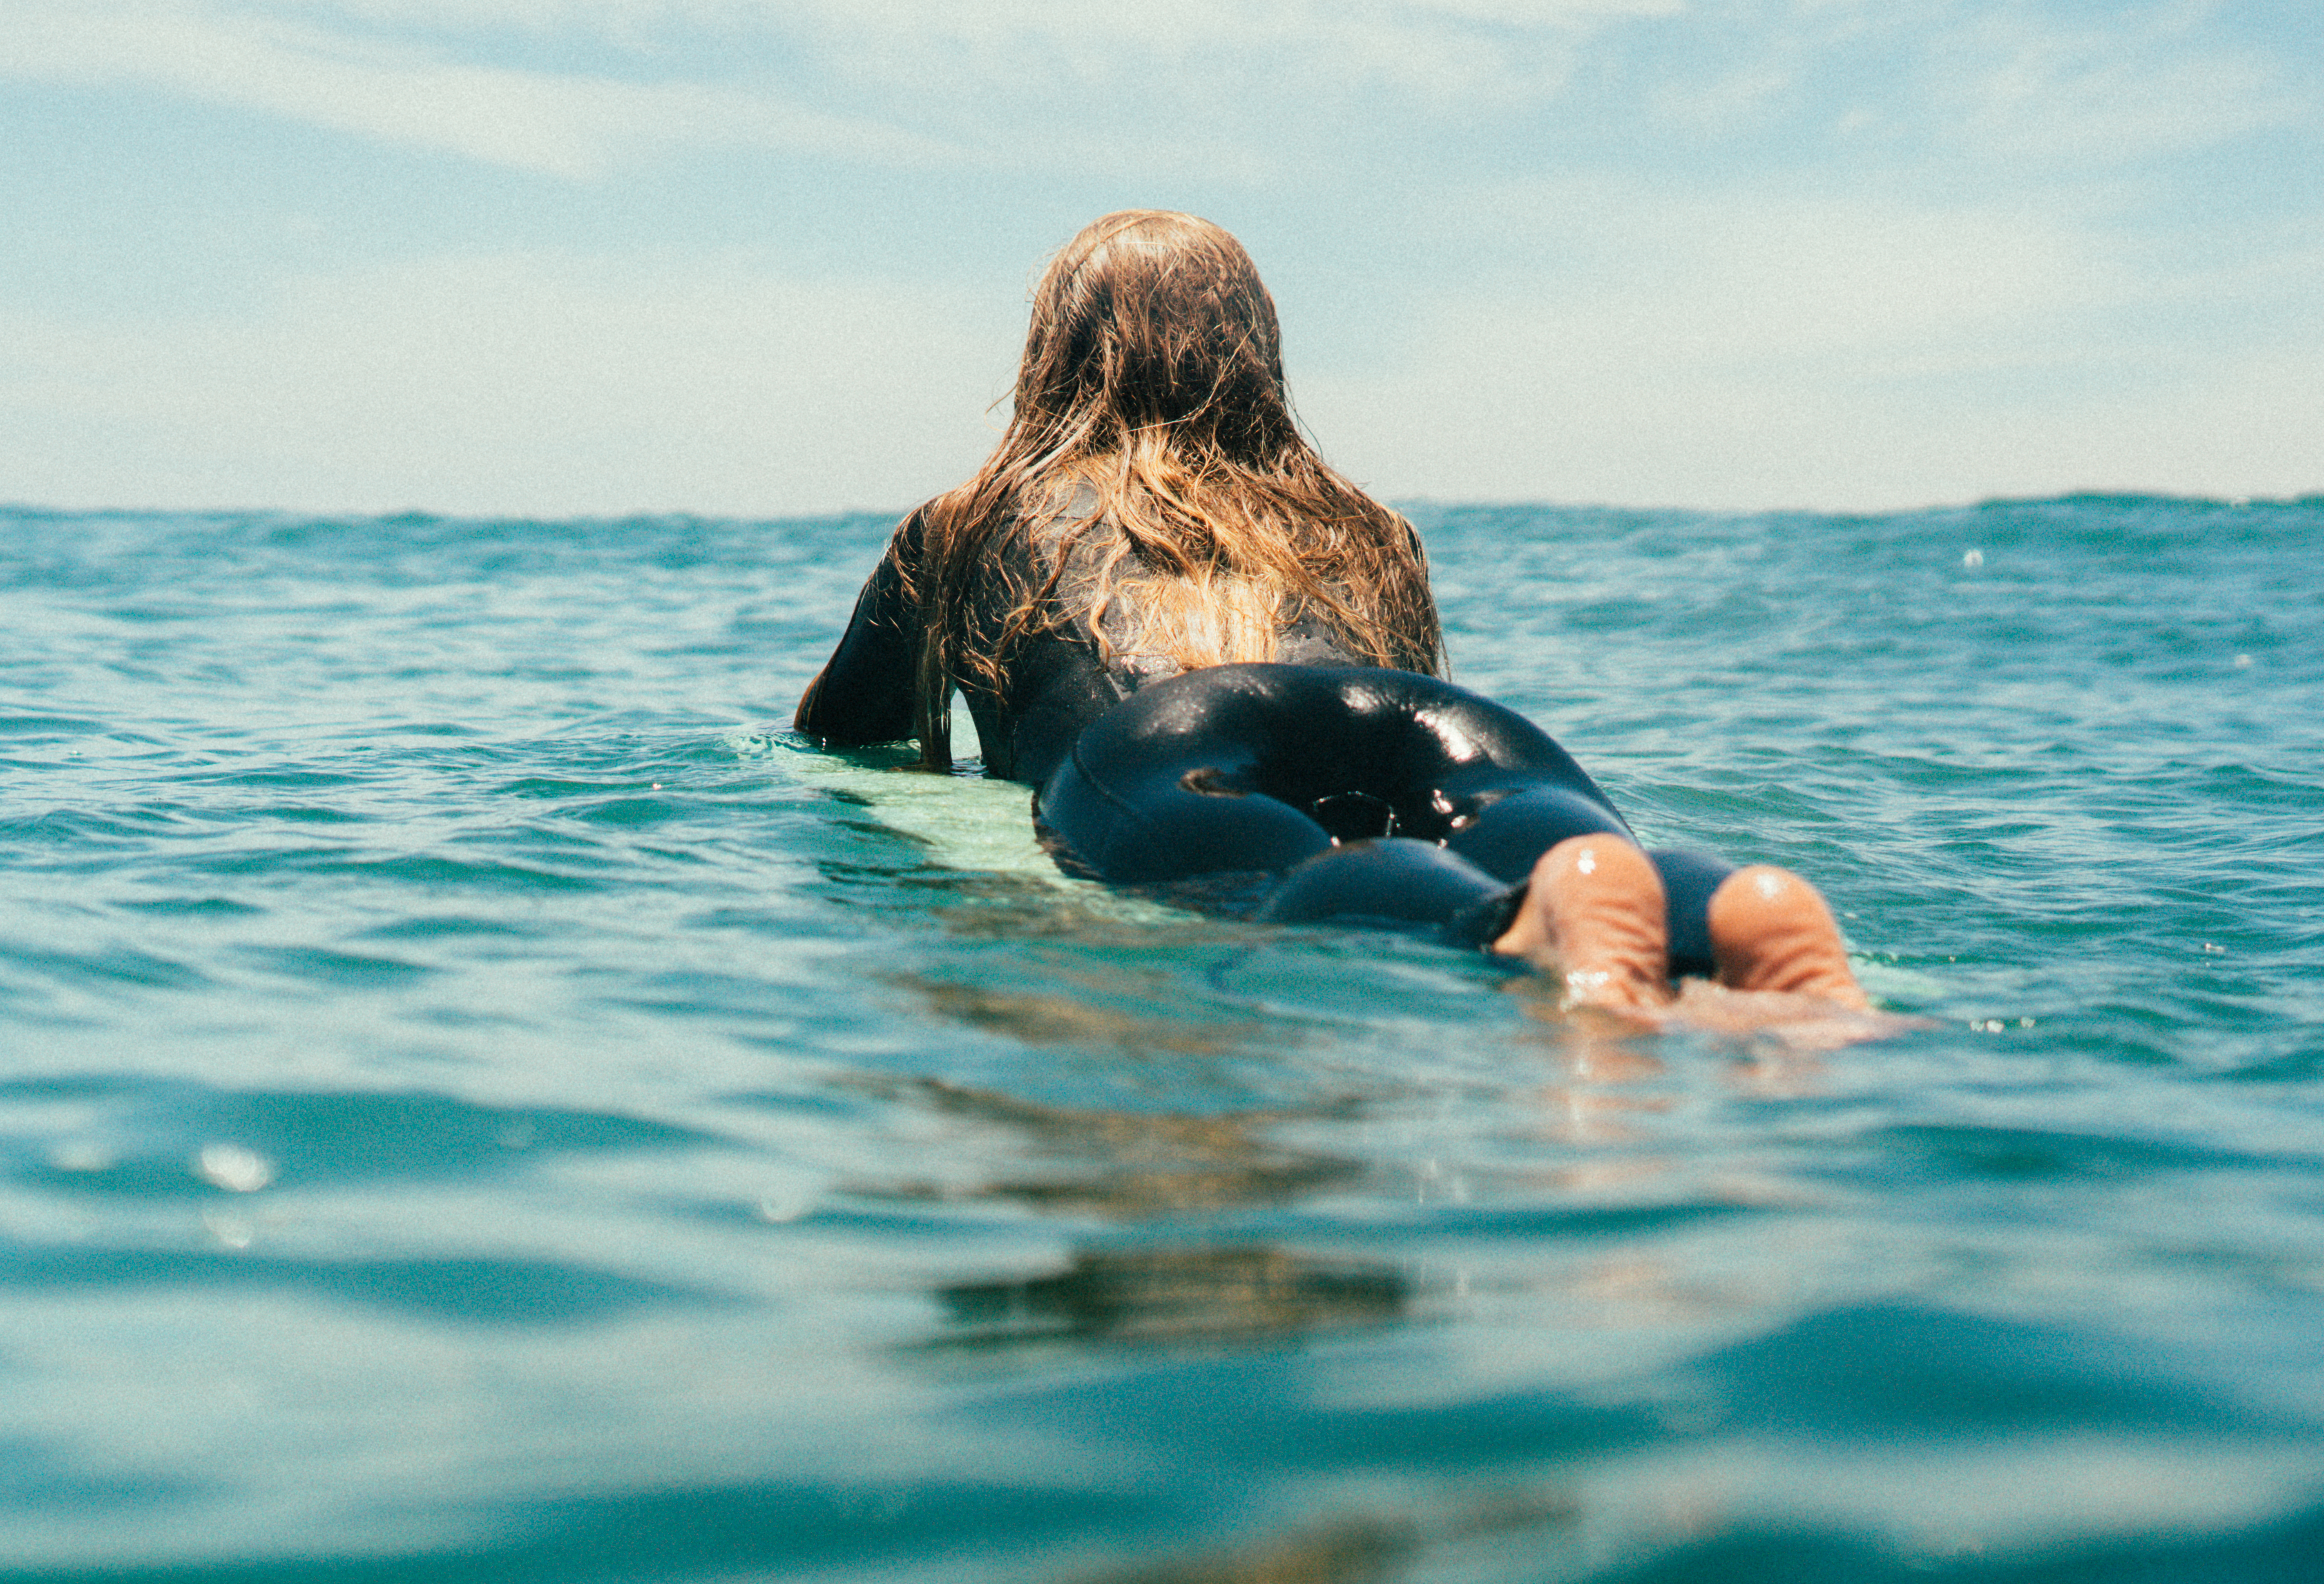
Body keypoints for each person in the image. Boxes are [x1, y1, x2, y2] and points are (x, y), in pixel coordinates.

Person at [795, 210, 1873, 1029]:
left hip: (1170, 748)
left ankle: (1522, 927)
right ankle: (1727, 907)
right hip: (1446, 729)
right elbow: (1381, 788)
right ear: (1255, 349)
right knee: (1500, 835)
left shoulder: (969, 519)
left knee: (1301, 880)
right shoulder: (1367, 526)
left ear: (1053, 358)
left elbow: (840, 733)